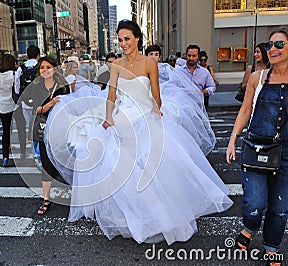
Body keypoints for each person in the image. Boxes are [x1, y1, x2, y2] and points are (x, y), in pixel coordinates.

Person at [46, 19, 232, 245]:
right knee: (121, 168)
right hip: (122, 119)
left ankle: (159, 214)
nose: (123, 43)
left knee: (157, 166)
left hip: (146, 117)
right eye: (120, 39)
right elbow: (111, 97)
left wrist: (156, 110)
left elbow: (156, 95)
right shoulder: (115, 66)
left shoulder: (149, 64)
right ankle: (133, 217)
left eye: (127, 39)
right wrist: (108, 117)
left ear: (137, 39)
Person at [226, 27, 288, 265]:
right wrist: (233, 140)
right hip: (257, 148)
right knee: (254, 203)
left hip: (286, 153)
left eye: (279, 44)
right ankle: (250, 228)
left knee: (280, 206)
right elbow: (245, 110)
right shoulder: (257, 78)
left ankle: (272, 247)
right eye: (270, 44)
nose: (272, 49)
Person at [22, 56, 70, 215]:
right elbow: (37, 110)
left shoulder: (63, 85)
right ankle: (46, 199)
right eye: (42, 67)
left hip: (61, 130)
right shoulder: (36, 86)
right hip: (43, 130)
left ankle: (72, 193)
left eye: (48, 67)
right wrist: (51, 103)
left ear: (54, 68)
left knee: (66, 161)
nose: (45, 70)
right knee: (47, 165)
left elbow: (70, 106)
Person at [15, 45, 40, 160]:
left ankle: (33, 151)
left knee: (30, 128)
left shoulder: (21, 68)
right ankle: (38, 153)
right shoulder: (40, 66)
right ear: (38, 55)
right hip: (39, 103)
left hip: (25, 103)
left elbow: (17, 87)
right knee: (39, 127)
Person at [0, 54, 17, 167]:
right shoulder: (14, 75)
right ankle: (22, 153)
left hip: (2, 105)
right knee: (19, 129)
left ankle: (5, 158)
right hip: (13, 104)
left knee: (5, 131)